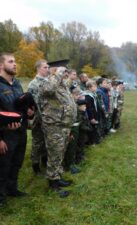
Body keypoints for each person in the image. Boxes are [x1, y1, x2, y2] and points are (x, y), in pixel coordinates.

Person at [0, 53, 33, 204]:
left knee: (16, 162)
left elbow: (20, 105)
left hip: (21, 130)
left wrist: (29, 112)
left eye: (15, 61)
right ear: (1, 65)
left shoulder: (17, 83)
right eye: (11, 61)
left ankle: (12, 188)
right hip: (5, 134)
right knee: (3, 166)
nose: (15, 64)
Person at [39, 65, 76, 198]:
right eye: (61, 71)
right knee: (54, 154)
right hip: (54, 125)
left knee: (60, 153)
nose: (64, 73)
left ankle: (57, 177)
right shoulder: (48, 82)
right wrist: (58, 73)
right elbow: (48, 90)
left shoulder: (61, 84)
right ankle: (53, 184)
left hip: (64, 125)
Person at [27, 60, 49, 175]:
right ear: (39, 69)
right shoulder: (33, 84)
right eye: (45, 67)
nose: (47, 69)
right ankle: (35, 165)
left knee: (46, 141)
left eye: (47, 67)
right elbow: (33, 105)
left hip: (49, 119)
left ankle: (45, 161)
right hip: (39, 119)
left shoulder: (48, 81)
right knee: (37, 142)